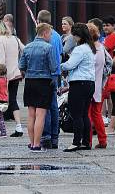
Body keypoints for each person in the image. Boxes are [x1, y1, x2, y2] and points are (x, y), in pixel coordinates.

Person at [19, 23, 58, 152]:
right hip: (43, 82)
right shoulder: (48, 48)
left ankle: (31, 142)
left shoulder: (27, 47)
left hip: (30, 82)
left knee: (31, 115)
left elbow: (21, 66)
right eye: (50, 34)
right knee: (40, 115)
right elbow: (53, 67)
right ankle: (37, 144)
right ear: (45, 33)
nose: (50, 37)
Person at [61, 23, 97, 152]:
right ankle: (86, 142)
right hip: (89, 83)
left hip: (79, 83)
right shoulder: (90, 47)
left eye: (74, 36)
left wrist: (60, 66)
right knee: (84, 114)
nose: (73, 38)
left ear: (78, 36)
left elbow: (70, 65)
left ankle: (76, 142)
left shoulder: (80, 49)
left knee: (76, 114)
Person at [0, 21, 25, 137]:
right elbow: (24, 50)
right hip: (15, 74)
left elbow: (0, 60)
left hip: (3, 76)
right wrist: (20, 65)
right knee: (12, 100)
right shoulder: (15, 39)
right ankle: (19, 126)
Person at [38, 10, 63, 149]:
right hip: (57, 73)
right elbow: (60, 53)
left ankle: (46, 135)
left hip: (45, 73)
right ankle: (55, 137)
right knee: (54, 106)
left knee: (44, 107)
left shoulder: (42, 35)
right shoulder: (58, 36)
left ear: (39, 21)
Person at [87, 22, 109, 149]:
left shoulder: (90, 50)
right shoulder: (101, 47)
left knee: (88, 115)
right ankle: (102, 139)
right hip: (98, 85)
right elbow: (109, 63)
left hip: (89, 85)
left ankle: (88, 140)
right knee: (96, 114)